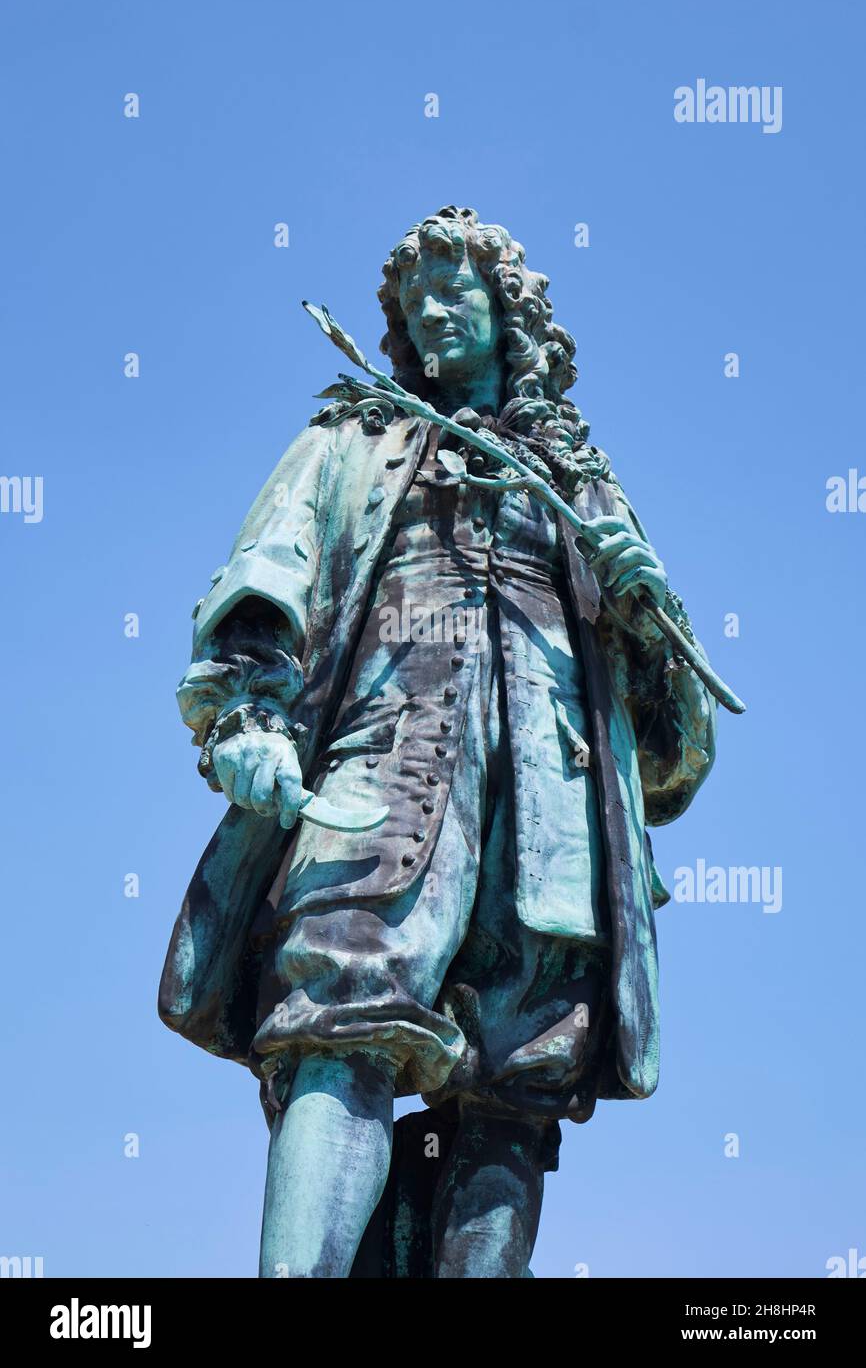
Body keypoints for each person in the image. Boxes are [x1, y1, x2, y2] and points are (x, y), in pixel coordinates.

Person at [159, 206, 716, 1278]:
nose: (434, 317)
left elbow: (663, 760)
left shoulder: (580, 482)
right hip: (383, 758)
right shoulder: (355, 434)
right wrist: (246, 713)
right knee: (339, 1006)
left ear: (511, 316)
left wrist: (650, 622)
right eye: (417, 308)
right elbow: (268, 574)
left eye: (457, 296)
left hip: (546, 802)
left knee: (517, 1071)